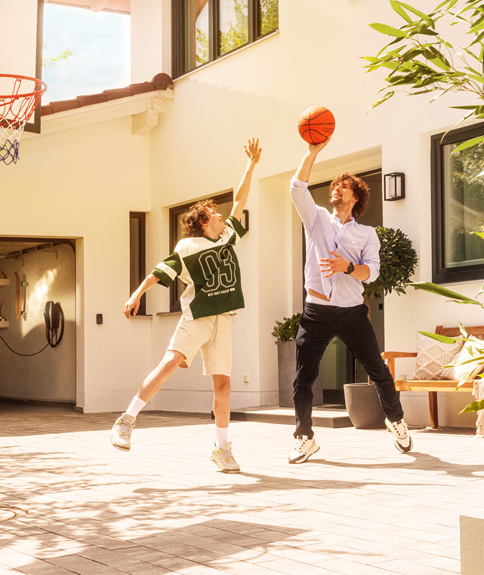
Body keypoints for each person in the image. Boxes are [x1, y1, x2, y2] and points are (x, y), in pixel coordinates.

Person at [111, 138, 262, 473]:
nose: (222, 216)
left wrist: (251, 165)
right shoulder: (187, 246)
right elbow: (157, 273)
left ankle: (222, 450)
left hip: (224, 318)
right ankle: (127, 419)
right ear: (203, 222)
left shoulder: (227, 236)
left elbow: (240, 200)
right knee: (170, 363)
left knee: (223, 385)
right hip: (198, 317)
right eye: (215, 215)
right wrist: (136, 295)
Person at [289, 138, 412, 463]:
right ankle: (304, 437)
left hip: (352, 313)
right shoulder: (315, 219)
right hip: (316, 311)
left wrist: (348, 267)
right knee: (304, 375)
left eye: (343, 188)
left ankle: (396, 420)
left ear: (355, 197)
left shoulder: (366, 234)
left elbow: (371, 273)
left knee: (378, 370)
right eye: (334, 187)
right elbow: (296, 188)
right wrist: (313, 152)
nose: (336, 191)